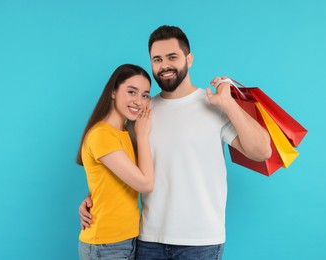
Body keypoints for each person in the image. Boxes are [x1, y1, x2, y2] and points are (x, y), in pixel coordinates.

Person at [79, 26, 272, 259]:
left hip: (201, 242)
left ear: (189, 59)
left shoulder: (213, 104)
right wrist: (92, 200)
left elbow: (261, 151)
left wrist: (229, 104)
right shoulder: (140, 111)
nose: (164, 65)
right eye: (157, 59)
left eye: (172, 57)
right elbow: (114, 165)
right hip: (148, 239)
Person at [76, 64, 154, 260]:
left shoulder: (124, 133)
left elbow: (111, 182)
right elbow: (145, 184)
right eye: (131, 92)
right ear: (113, 92)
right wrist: (143, 134)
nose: (139, 101)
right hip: (106, 245)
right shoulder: (102, 134)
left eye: (145, 95)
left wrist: (92, 196)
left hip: (126, 240)